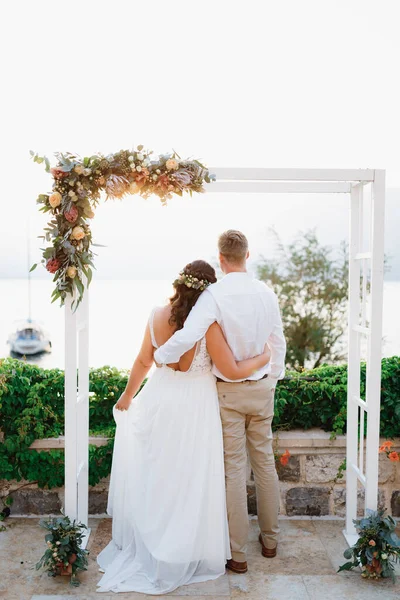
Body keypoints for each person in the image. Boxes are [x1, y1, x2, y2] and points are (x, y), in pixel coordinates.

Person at [97, 259, 270, 595]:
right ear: (208, 290)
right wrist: (265, 357)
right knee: (192, 475)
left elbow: (144, 361)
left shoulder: (156, 315)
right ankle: (190, 548)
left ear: (179, 283)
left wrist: (126, 396)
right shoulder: (208, 325)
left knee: (160, 474)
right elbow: (231, 370)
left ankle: (157, 543)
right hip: (196, 405)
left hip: (161, 398)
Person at [154, 230, 286, 574]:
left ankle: (238, 554)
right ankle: (270, 541)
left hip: (228, 393)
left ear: (221, 258)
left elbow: (189, 334)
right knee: (265, 465)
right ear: (247, 254)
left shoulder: (214, 294)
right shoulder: (266, 293)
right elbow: (278, 341)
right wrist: (275, 375)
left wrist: (160, 355)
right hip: (262, 389)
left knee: (234, 472)